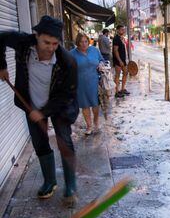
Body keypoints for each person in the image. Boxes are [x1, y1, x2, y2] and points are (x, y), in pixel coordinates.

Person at [0, 16, 79, 206]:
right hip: (31, 103)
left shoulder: (67, 61)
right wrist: (2, 66)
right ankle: (50, 182)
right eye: (46, 42)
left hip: (58, 106)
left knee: (64, 142)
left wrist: (44, 112)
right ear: (36, 36)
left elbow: (66, 95)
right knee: (40, 143)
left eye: (55, 43)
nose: (51, 47)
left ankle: (71, 187)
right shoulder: (23, 43)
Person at [70, 33, 104, 135]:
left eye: (86, 41)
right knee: (85, 105)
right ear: (77, 43)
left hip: (94, 81)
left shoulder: (94, 50)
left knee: (96, 104)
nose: (84, 44)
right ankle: (89, 126)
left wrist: (101, 64)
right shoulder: (72, 54)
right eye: (81, 42)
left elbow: (102, 60)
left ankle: (96, 121)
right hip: (80, 83)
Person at [112, 25, 129, 98]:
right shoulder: (116, 38)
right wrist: (119, 60)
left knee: (125, 72)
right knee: (117, 75)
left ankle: (122, 89)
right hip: (118, 60)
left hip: (123, 59)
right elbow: (115, 51)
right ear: (118, 30)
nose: (123, 31)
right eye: (122, 29)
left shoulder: (121, 38)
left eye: (124, 29)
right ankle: (117, 91)